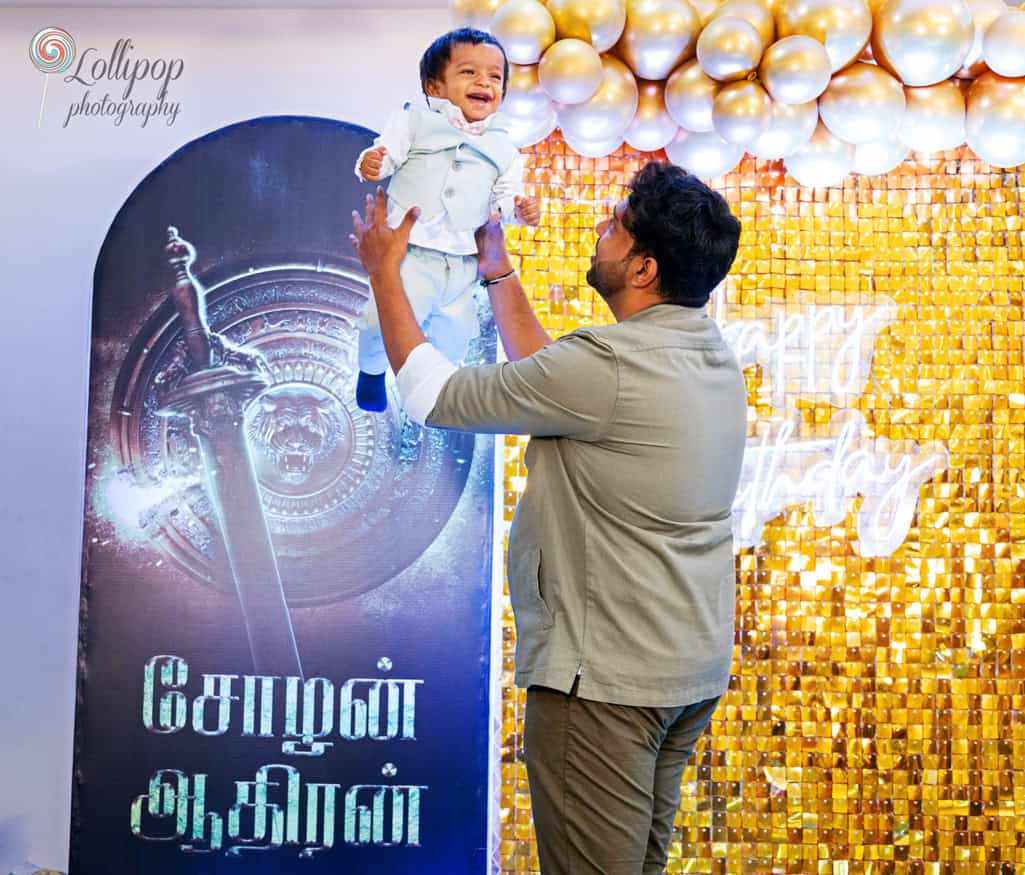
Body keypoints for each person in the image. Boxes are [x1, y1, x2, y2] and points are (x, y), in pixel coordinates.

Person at [350, 161, 747, 875]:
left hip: (604, 685)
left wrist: (384, 270)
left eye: (618, 225)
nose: (602, 227)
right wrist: (498, 272)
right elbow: (549, 378)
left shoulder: (607, 366)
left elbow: (435, 396)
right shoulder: (704, 352)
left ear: (643, 266)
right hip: (682, 674)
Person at [353, 27, 540, 412]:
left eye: (495, 76)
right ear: (435, 86)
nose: (484, 82)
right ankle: (370, 372)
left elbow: (504, 196)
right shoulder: (415, 122)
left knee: (455, 335)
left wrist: (519, 209)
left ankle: (428, 397)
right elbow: (386, 152)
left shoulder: (504, 147)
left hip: (461, 261)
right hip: (409, 252)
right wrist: (373, 163)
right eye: (469, 72)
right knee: (380, 320)